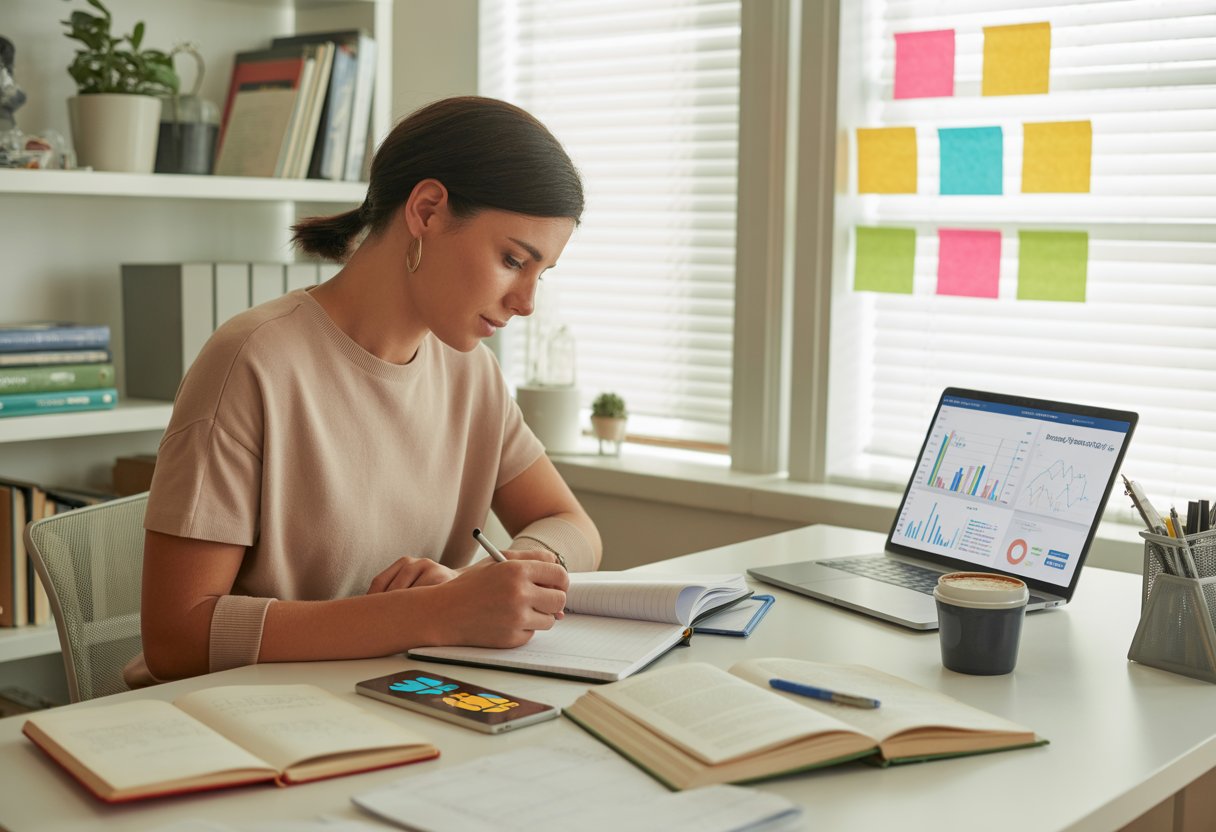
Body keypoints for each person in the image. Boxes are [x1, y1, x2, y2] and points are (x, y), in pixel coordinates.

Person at [129, 96, 602, 686]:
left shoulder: (471, 373)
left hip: (389, 701)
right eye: (512, 260)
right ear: (427, 210)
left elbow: (570, 522)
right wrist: (429, 613)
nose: (526, 303)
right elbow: (177, 638)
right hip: (241, 725)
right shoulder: (253, 361)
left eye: (541, 274)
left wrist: (509, 574)